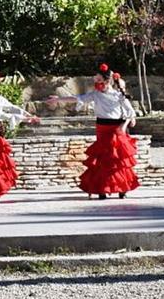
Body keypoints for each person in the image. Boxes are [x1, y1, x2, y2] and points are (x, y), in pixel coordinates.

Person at [48, 63, 139, 199]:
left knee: (117, 160)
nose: (96, 83)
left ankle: (122, 188)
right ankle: (102, 189)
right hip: (102, 129)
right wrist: (59, 99)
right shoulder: (95, 94)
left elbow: (130, 113)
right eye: (95, 80)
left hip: (116, 130)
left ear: (107, 81)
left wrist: (123, 126)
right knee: (101, 160)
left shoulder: (118, 95)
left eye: (99, 80)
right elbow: (78, 98)